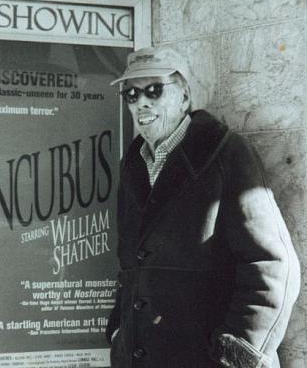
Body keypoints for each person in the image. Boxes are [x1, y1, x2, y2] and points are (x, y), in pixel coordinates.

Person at [106, 46, 300, 368]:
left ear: (184, 97)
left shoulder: (226, 155)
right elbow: (130, 266)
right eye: (131, 94)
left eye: (154, 90)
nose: (142, 102)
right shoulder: (134, 164)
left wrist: (237, 352)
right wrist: (118, 333)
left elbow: (274, 264)